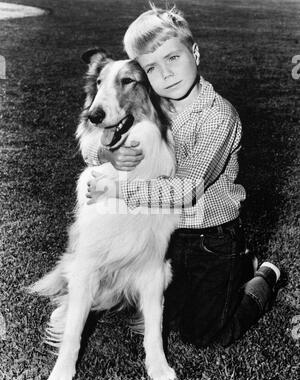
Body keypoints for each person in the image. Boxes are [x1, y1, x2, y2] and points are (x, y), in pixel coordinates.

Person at [85, 4, 287, 348]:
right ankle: (233, 272)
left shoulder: (217, 115)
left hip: (212, 237)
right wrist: (109, 154)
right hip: (167, 234)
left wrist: (119, 189)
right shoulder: (152, 108)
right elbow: (94, 146)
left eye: (173, 58)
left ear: (194, 52)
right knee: (160, 313)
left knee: (204, 334)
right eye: (151, 67)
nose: (165, 74)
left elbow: (188, 188)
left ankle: (262, 277)